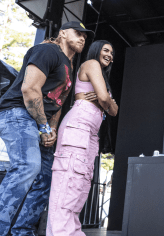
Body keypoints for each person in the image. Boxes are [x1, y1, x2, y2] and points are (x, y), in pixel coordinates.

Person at [0, 21, 93, 235]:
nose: (82, 37)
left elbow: (58, 103)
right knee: (27, 166)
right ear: (62, 33)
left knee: (45, 178)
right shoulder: (47, 51)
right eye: (77, 33)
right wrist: (43, 126)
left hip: (39, 121)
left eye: (85, 36)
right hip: (17, 112)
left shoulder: (68, 67)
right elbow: (30, 89)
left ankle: (22, 231)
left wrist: (51, 129)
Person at [46, 40, 118, 236]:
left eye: (112, 52)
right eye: (106, 50)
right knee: (68, 184)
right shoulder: (91, 64)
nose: (110, 55)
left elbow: (114, 110)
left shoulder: (102, 77)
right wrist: (105, 100)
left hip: (90, 133)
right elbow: (106, 101)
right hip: (79, 126)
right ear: (96, 51)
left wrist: (105, 100)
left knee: (79, 188)